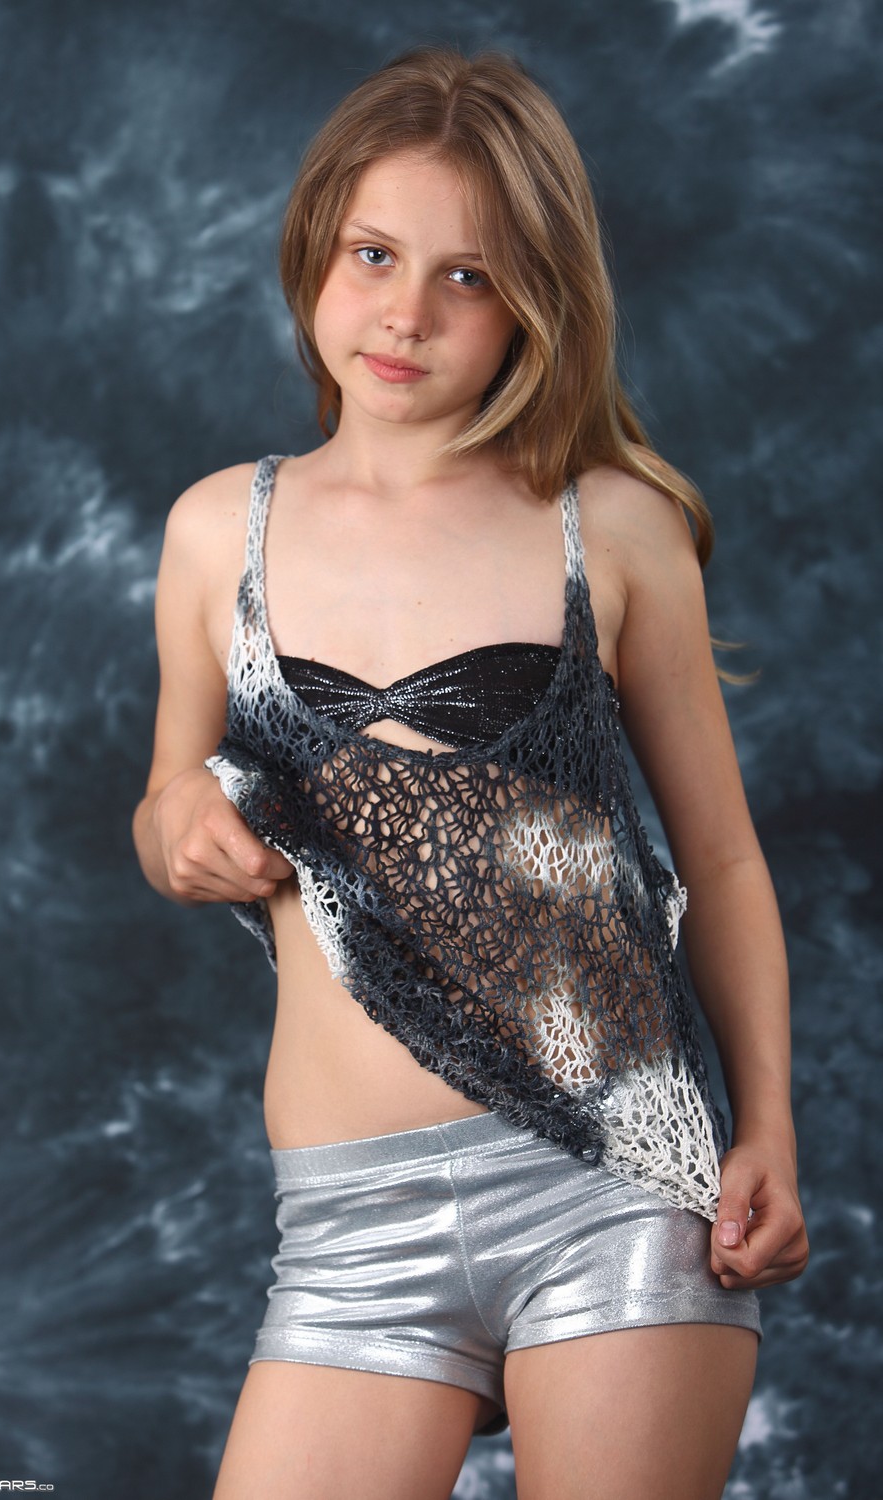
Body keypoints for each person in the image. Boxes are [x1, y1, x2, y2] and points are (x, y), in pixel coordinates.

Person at [132, 45, 808, 1500]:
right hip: (346, 1228)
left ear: (535, 306)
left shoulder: (607, 527)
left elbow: (724, 858)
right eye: (375, 254)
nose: (407, 312)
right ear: (315, 248)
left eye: (471, 277)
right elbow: (166, 799)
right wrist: (179, 818)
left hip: (615, 1180)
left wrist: (769, 1125)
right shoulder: (215, 532)